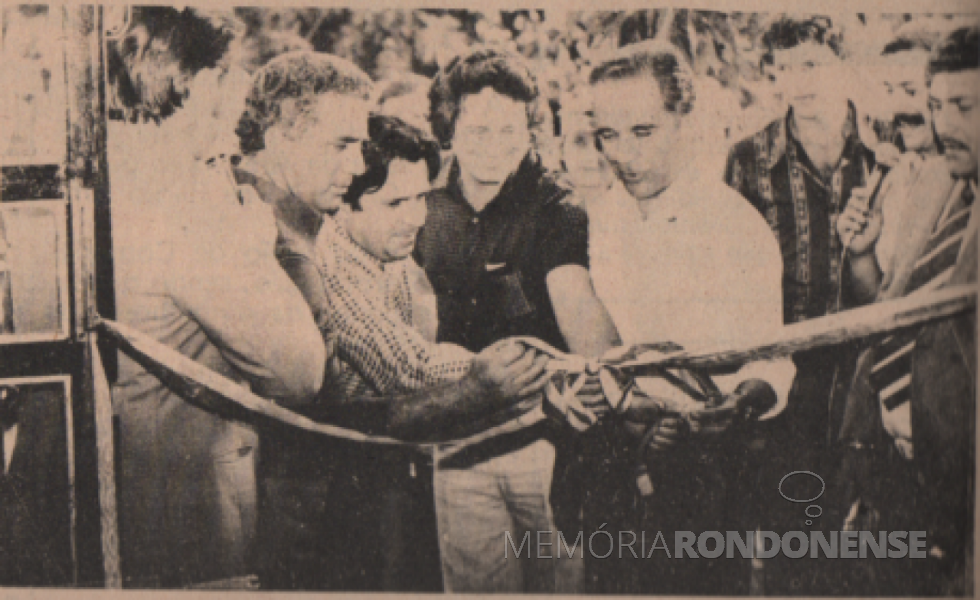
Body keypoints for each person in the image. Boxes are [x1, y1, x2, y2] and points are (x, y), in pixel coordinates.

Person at [231, 51, 552, 591]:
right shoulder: (322, 252)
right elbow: (410, 368)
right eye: (396, 202)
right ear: (345, 209)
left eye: (421, 199)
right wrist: (518, 371)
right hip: (331, 498)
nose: (417, 217)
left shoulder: (392, 255)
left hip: (386, 482)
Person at [108, 10, 327, 588]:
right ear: (194, 80)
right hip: (192, 535)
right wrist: (256, 233)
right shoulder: (186, 197)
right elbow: (300, 369)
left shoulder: (112, 173)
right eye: (224, 74)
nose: (235, 98)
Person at [585, 41, 795, 594]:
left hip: (707, 473)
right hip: (617, 466)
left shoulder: (734, 225)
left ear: (684, 121)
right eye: (607, 134)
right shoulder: (601, 221)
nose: (622, 153)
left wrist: (738, 404)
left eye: (642, 131)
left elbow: (771, 357)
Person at [415, 46, 620, 593]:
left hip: (546, 448)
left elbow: (578, 307)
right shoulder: (422, 205)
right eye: (478, 131)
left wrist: (606, 372)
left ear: (531, 130)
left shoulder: (556, 205)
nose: (494, 147)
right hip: (457, 443)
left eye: (510, 131)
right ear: (449, 129)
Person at [723, 17, 879, 592]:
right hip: (788, 389)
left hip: (875, 379)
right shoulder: (746, 159)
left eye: (811, 64)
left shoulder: (887, 149)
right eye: (784, 68)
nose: (798, 80)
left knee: (877, 546)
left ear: (843, 64)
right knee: (796, 549)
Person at [837, 25, 978, 596]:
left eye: (962, 106)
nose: (942, 122)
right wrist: (864, 251)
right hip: (896, 448)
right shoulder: (927, 180)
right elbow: (888, 306)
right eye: (937, 104)